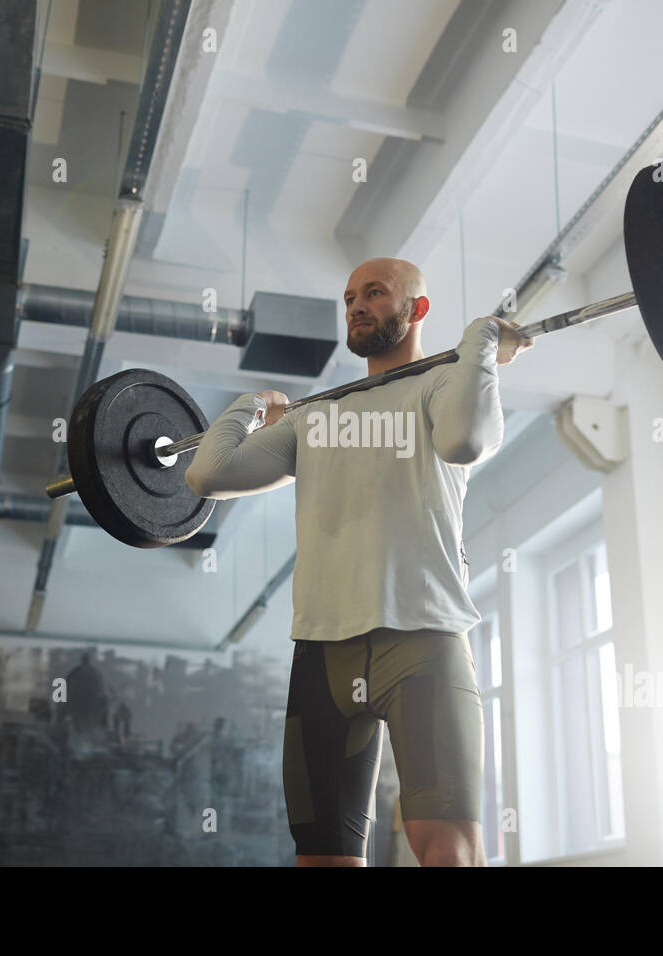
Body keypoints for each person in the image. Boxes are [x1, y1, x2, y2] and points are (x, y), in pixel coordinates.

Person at [186, 257, 531, 866]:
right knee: (323, 857)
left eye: (374, 293)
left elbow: (465, 442)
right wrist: (252, 403)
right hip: (322, 653)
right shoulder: (315, 417)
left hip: (422, 637)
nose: (356, 306)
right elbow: (209, 473)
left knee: (446, 848)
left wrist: (479, 340)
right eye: (349, 298)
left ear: (417, 309)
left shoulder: (442, 384)